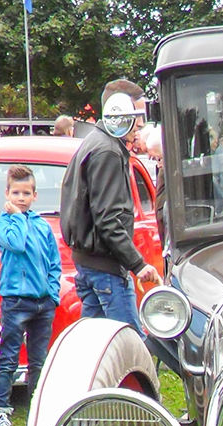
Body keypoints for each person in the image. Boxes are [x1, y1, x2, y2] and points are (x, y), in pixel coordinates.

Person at [59, 78, 160, 335]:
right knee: (130, 344)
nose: (140, 124)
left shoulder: (97, 143)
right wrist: (138, 265)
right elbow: (108, 220)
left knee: (94, 346)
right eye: (136, 115)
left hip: (91, 265)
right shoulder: (108, 152)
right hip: (106, 270)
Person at [0, 165, 61, 426]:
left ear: (35, 195)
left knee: (39, 362)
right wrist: (17, 218)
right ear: (7, 194)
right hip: (15, 302)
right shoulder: (0, 224)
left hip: (43, 304)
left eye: (26, 193)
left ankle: (38, 411)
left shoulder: (43, 226)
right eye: (16, 193)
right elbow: (16, 244)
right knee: (8, 358)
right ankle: (0, 411)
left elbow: (54, 263)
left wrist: (52, 294)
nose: (21, 197)